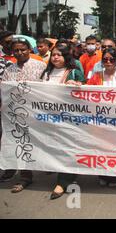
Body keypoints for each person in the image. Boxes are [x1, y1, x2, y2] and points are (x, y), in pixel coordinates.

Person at [0, 37, 47, 191]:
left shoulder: (40, 66)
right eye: (16, 50)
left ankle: (47, 166)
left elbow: (48, 89)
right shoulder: (9, 70)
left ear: (29, 50)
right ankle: (25, 176)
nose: (19, 53)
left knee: (40, 142)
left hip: (36, 112)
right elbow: (5, 92)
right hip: (16, 114)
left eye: (22, 50)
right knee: (21, 143)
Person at [40, 44, 85, 199]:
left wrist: (78, 86)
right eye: (53, 55)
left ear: (66, 57)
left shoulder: (74, 72)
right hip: (48, 118)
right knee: (55, 148)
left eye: (59, 54)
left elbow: (86, 92)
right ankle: (69, 174)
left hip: (68, 119)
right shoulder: (46, 73)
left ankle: (62, 182)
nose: (55, 57)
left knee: (67, 148)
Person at [87, 47, 116, 187]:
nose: (108, 62)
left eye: (111, 59)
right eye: (105, 59)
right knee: (101, 148)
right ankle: (103, 175)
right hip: (99, 120)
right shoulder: (96, 77)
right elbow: (87, 92)